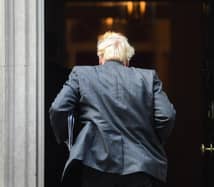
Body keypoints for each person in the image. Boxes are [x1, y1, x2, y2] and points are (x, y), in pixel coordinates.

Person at [49, 31, 176, 187]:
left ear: (100, 58)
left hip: (95, 164)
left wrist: (66, 138)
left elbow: (58, 108)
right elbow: (167, 116)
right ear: (127, 60)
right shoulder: (148, 78)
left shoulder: (82, 75)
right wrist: (150, 139)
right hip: (140, 166)